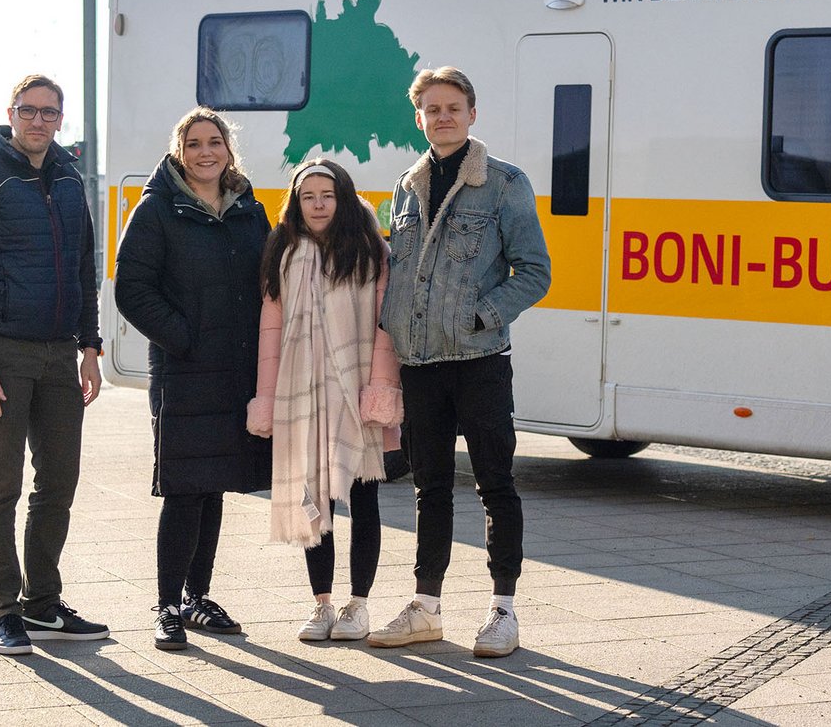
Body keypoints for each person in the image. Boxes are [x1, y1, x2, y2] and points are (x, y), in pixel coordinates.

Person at [370, 66, 551, 658]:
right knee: (430, 488)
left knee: (496, 483)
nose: (442, 117)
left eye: (453, 107)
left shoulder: (504, 183)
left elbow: (535, 273)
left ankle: (503, 611)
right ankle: (426, 607)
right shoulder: (406, 185)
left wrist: (482, 316)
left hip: (478, 361)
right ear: (418, 117)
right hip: (420, 362)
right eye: (431, 108)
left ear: (472, 114)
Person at [0, 74, 107, 656]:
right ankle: (4, 610)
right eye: (29, 110)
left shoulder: (68, 179)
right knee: (1, 486)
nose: (39, 121)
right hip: (2, 355)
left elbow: (85, 268)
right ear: (11, 113)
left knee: (59, 481)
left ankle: (42, 604)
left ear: (61, 120)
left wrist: (91, 346)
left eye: (50, 112)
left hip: (62, 354)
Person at [114, 106, 272, 651]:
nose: (206, 152)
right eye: (194, 144)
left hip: (236, 372)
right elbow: (132, 289)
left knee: (215, 486)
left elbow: (271, 281)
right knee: (184, 489)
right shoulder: (157, 210)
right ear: (180, 152)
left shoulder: (250, 210)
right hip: (184, 371)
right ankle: (166, 605)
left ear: (228, 149)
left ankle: (196, 597)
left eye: (215, 142)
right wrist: (184, 336)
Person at [247, 159, 403, 643]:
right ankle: (322, 604)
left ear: (343, 198)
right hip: (303, 391)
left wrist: (378, 390)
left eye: (327, 195)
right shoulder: (283, 251)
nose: (317, 204)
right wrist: (267, 397)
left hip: (356, 390)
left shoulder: (371, 249)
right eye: (308, 196)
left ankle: (359, 605)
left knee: (364, 496)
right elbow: (269, 332)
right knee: (313, 501)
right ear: (296, 201)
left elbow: (385, 329)